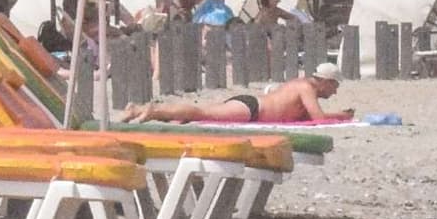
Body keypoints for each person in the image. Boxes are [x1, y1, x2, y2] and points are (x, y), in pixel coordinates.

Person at [120, 73, 344, 124]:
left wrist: (339, 115)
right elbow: (318, 119)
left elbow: (309, 115)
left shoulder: (299, 84)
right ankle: (154, 111)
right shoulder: (306, 88)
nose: (334, 92)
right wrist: (340, 118)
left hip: (250, 105)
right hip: (252, 109)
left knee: (198, 113)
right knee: (200, 113)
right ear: (326, 81)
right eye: (335, 86)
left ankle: (137, 109)